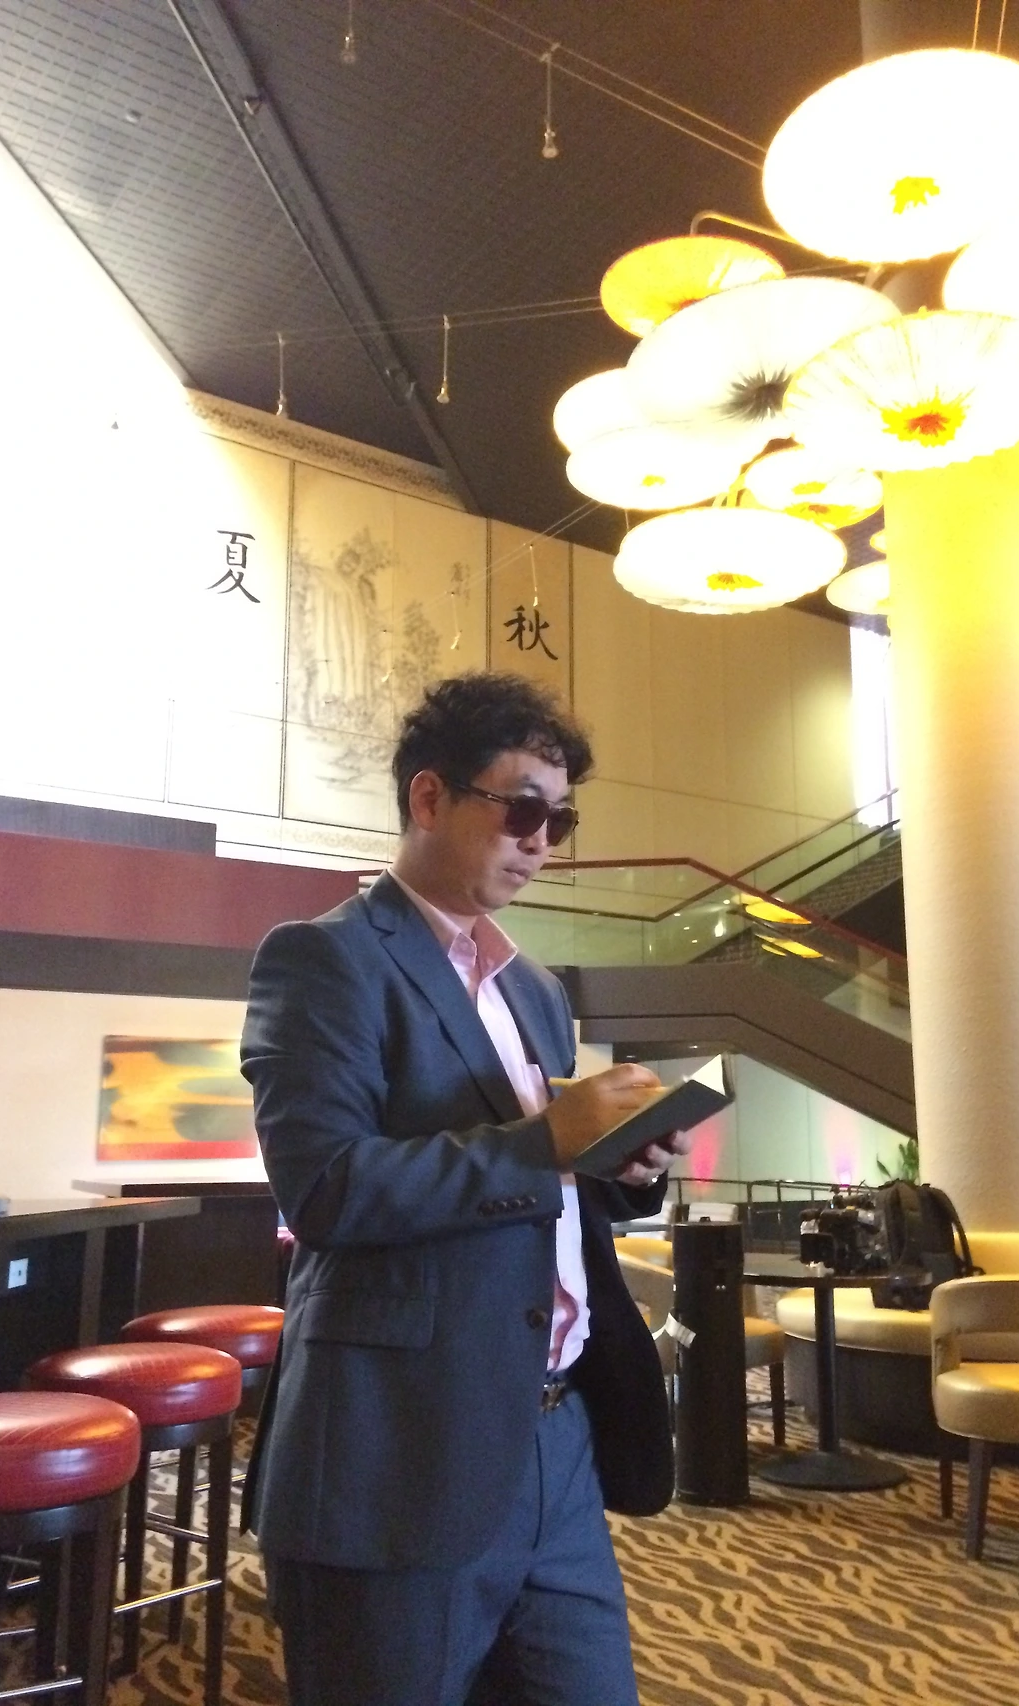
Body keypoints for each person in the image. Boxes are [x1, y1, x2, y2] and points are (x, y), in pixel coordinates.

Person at [240, 671, 694, 1706]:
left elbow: (547, 1185)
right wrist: (545, 1143)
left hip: (557, 1435)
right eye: (522, 808)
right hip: (398, 1448)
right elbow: (325, 1189)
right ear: (429, 797)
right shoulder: (325, 960)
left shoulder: (536, 990)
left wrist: (619, 1165)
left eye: (559, 819)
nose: (542, 841)